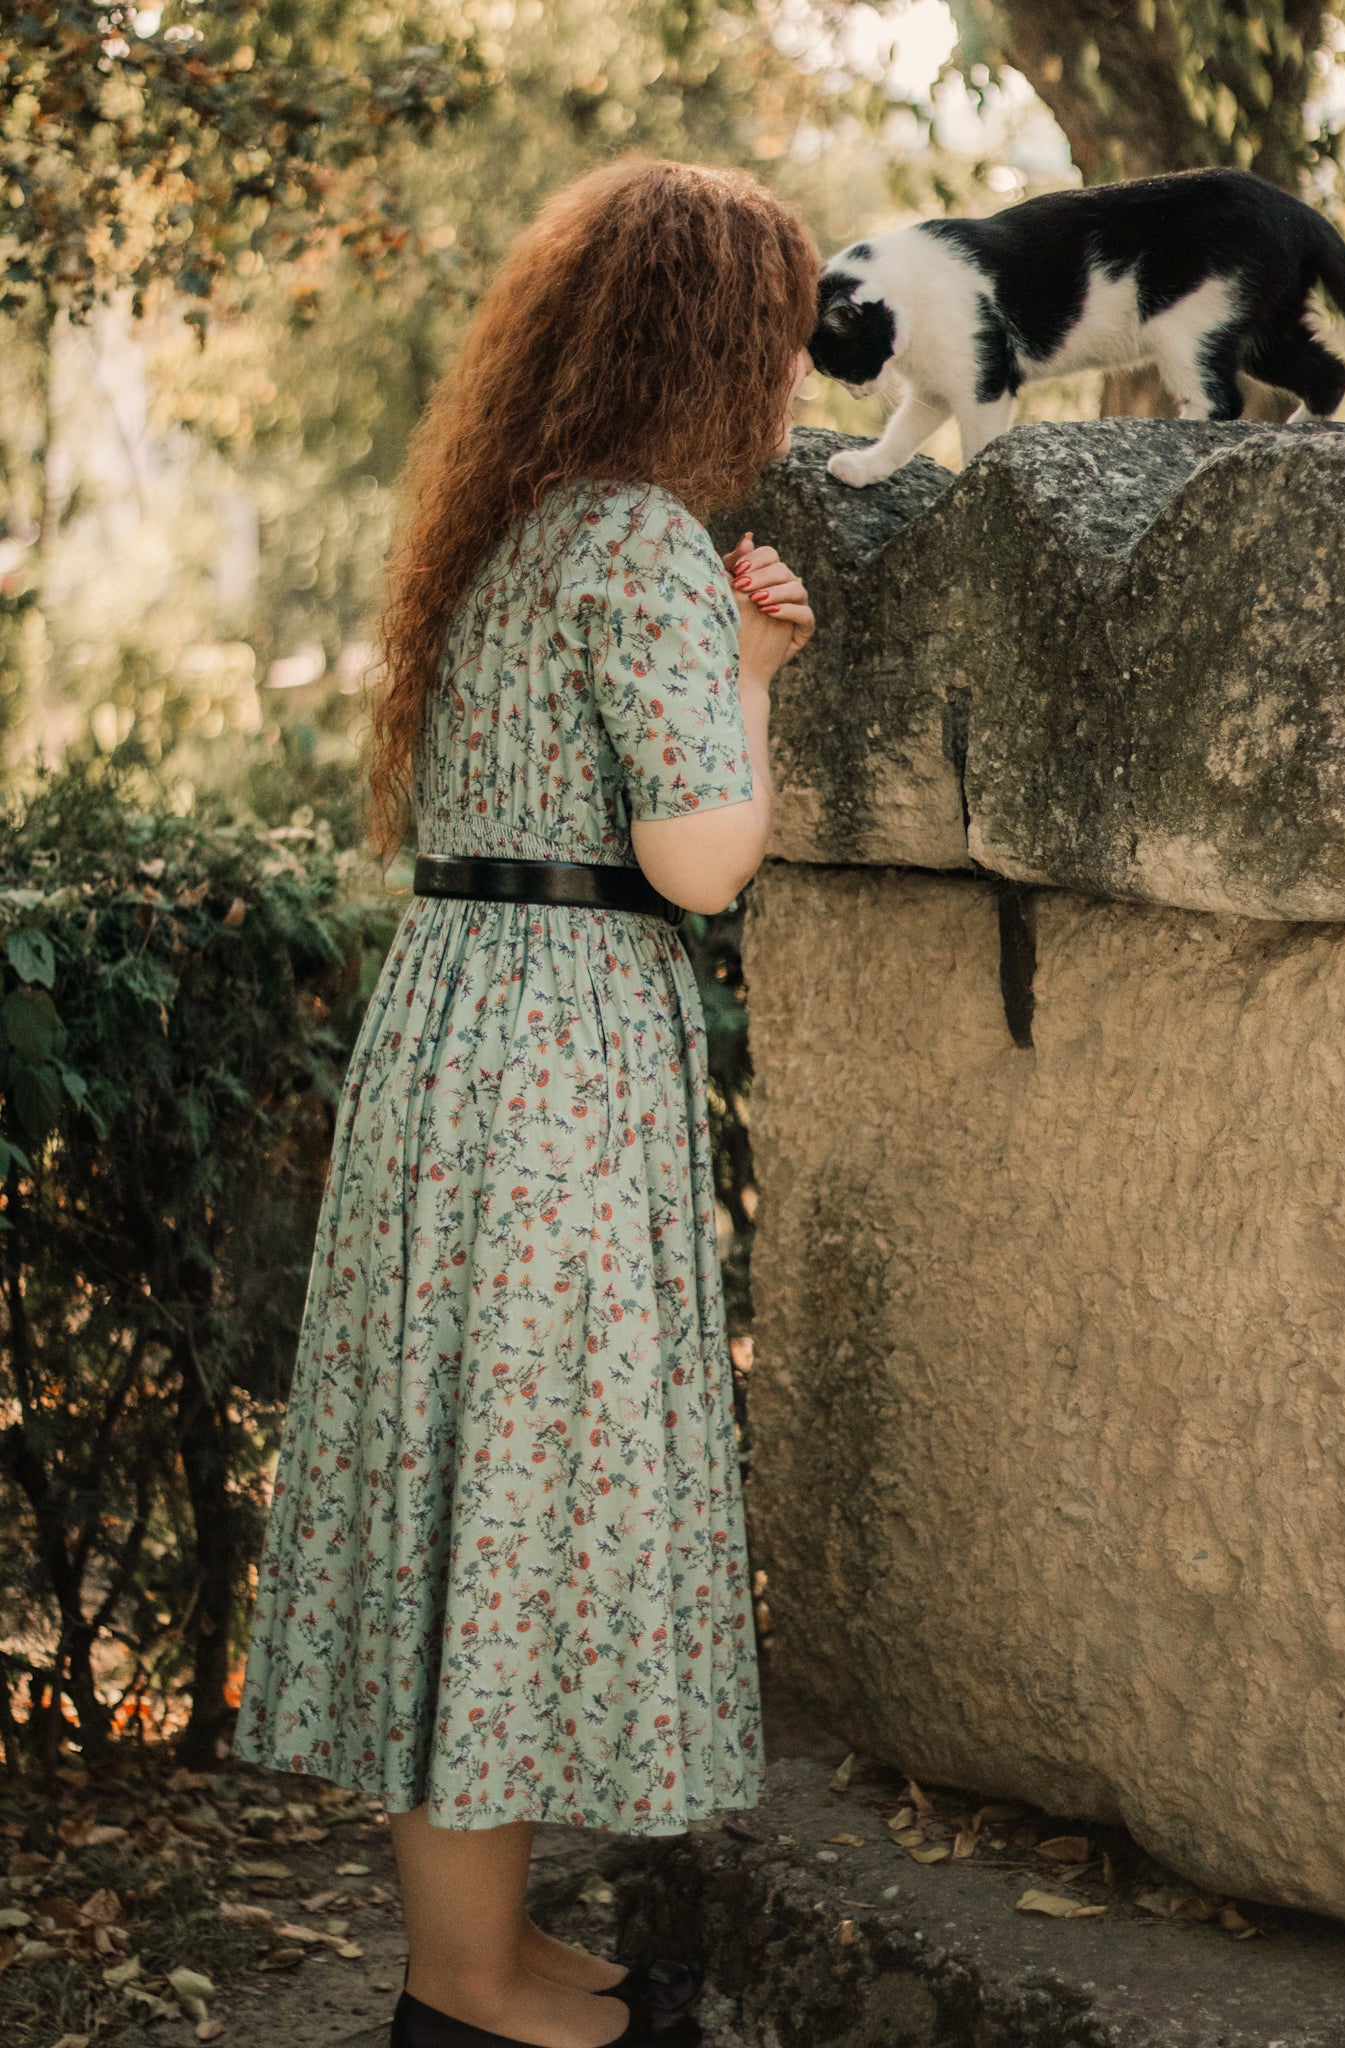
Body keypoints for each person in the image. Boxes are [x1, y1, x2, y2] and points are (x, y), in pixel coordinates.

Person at [233, 156, 817, 2048]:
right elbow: (703, 858)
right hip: (559, 1056)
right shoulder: (640, 542)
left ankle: (471, 1954)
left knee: (459, 1489)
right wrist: (747, 681)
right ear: (718, 352)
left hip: (456, 1027)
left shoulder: (510, 532)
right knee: (510, 1491)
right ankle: (464, 1989)